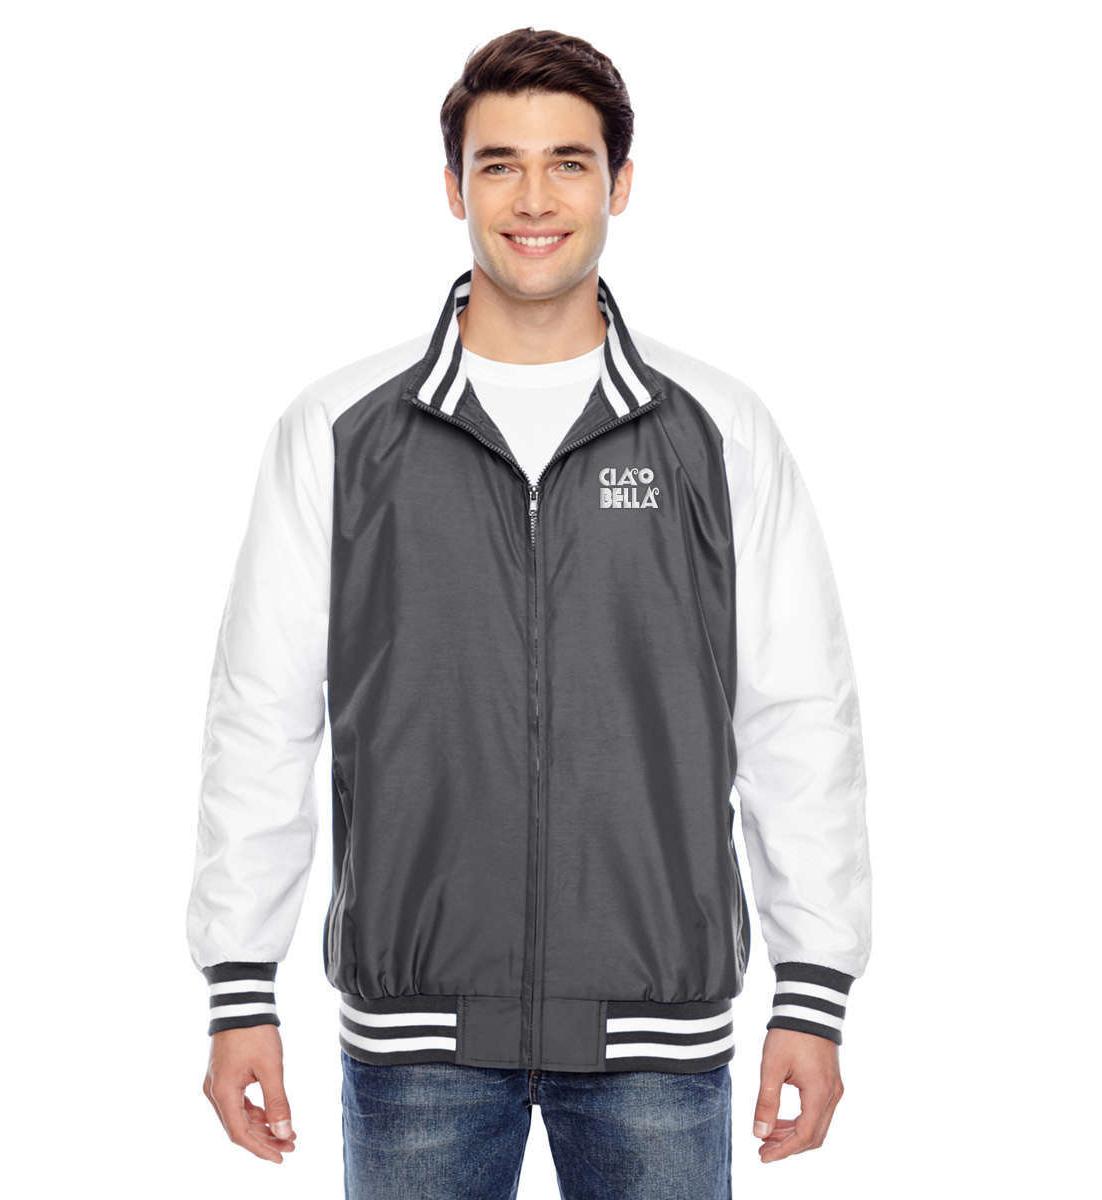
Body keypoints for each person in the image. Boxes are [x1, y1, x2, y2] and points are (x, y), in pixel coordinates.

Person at [186, 26, 871, 1200]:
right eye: (499, 164)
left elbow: (798, 715)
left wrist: (813, 991)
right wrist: (239, 985)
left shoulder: (717, 431)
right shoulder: (342, 431)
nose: (535, 199)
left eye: (569, 163)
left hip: (658, 1035)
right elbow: (261, 712)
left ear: (620, 183)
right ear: (454, 187)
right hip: (417, 1042)